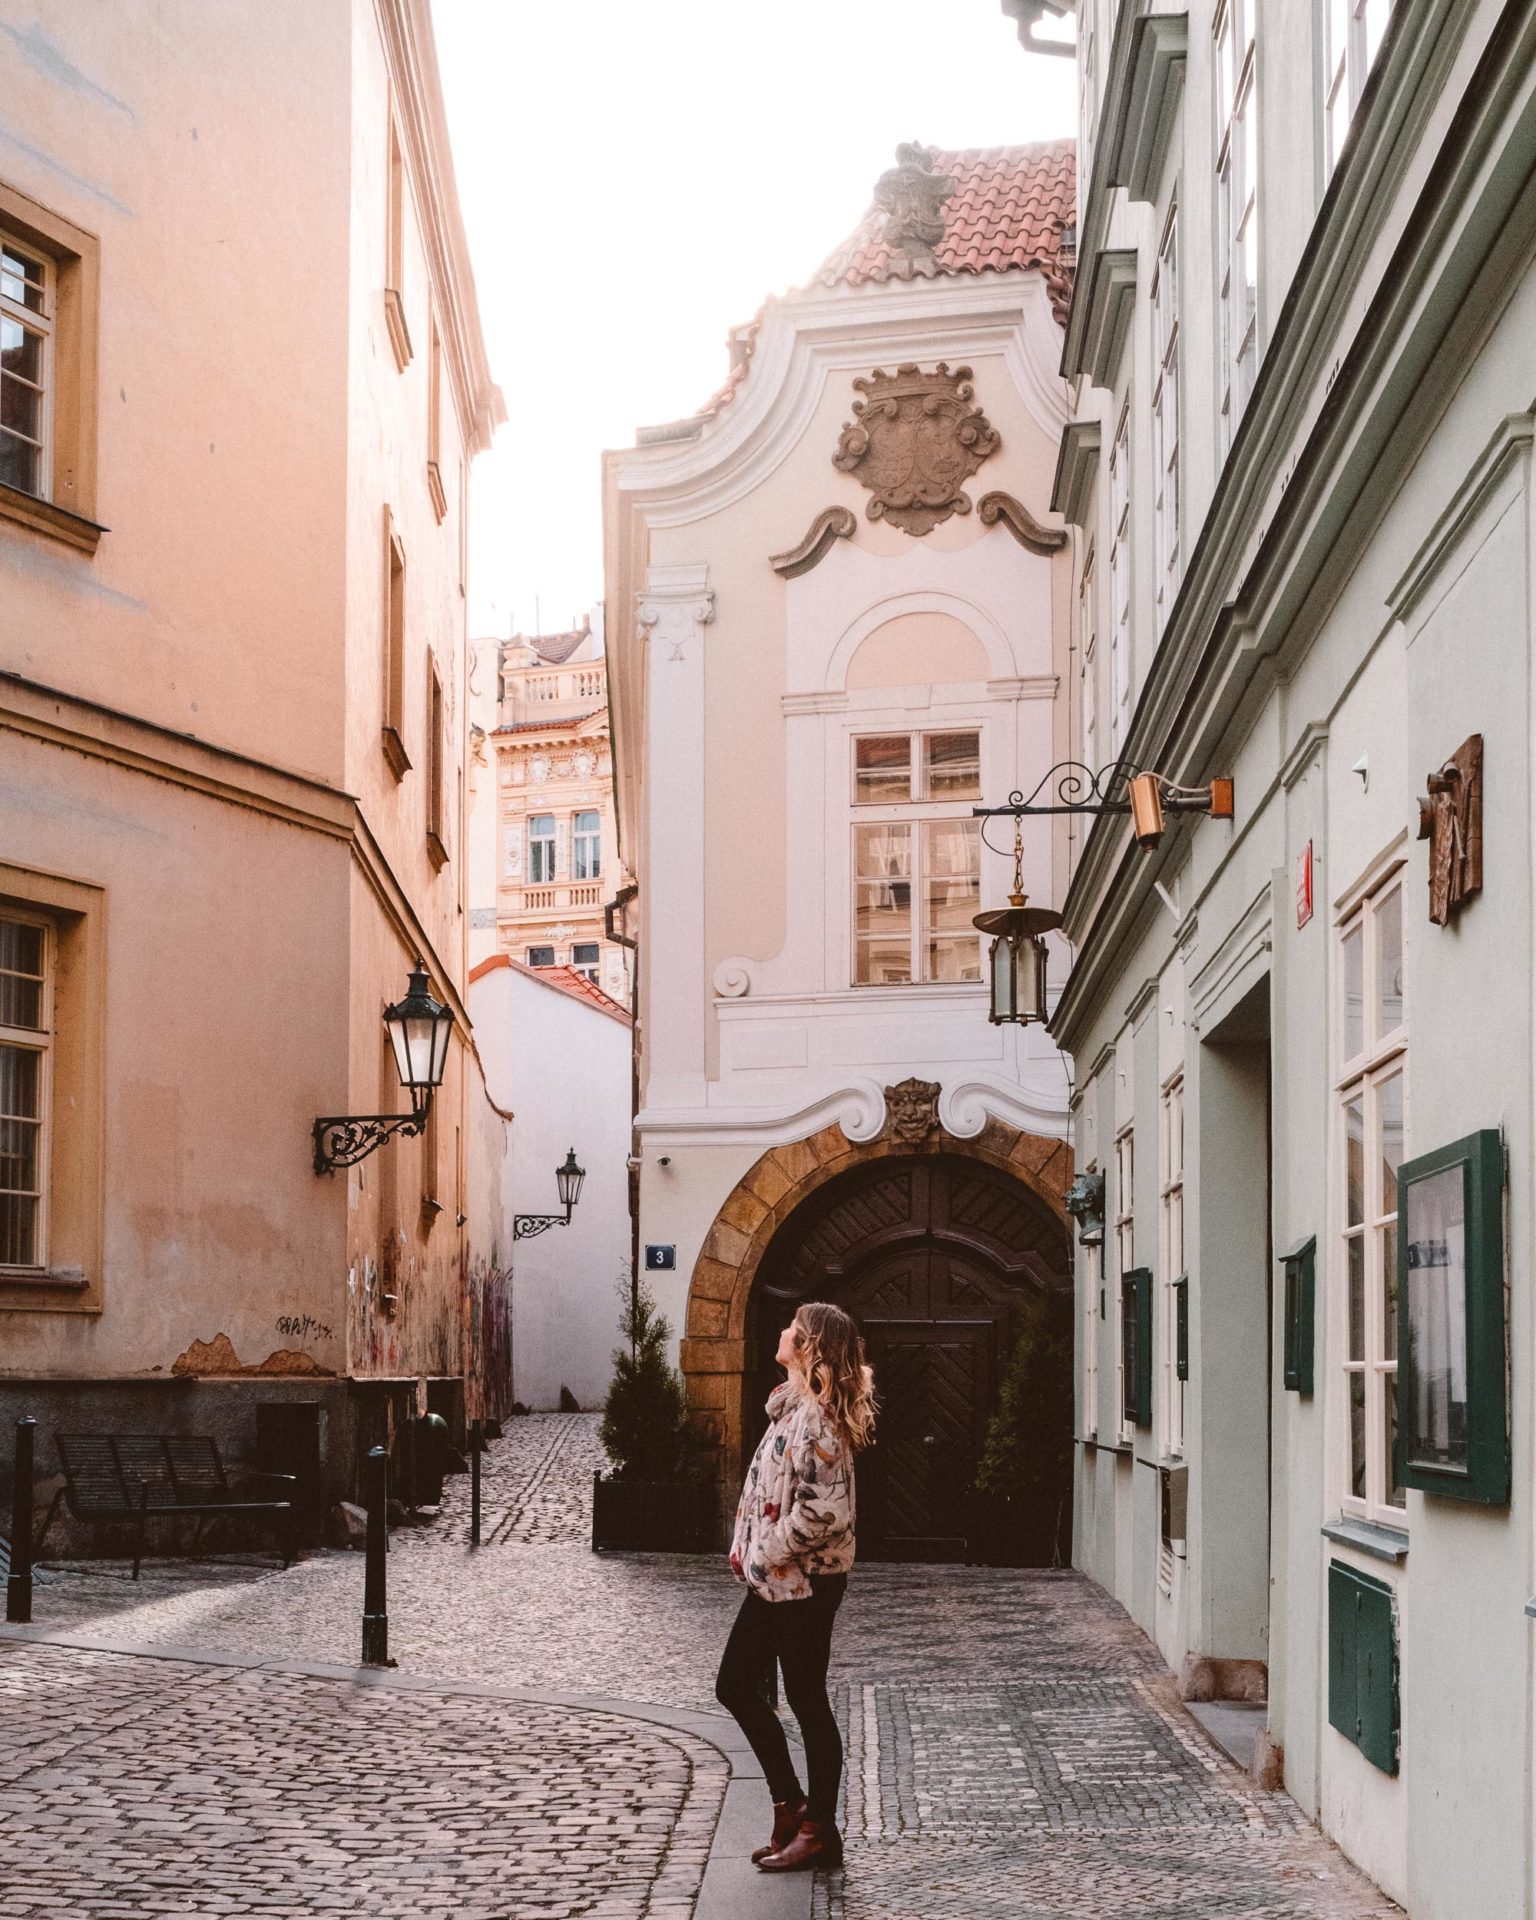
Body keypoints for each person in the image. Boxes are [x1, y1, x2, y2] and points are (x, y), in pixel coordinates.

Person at [714, 1300, 876, 1874]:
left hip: (803, 1582)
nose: (782, 1330)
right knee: (754, 1688)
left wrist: (762, 1552)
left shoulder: (820, 1420)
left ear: (809, 1349)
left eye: (794, 1328)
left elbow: (821, 1515)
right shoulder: (792, 1411)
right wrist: (751, 1549)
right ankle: (794, 1810)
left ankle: (817, 1826)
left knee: (781, 1694)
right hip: (781, 1581)